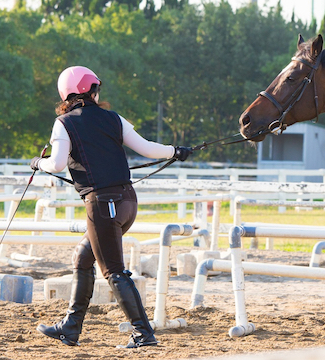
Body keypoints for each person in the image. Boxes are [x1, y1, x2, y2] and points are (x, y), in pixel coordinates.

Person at [31, 66, 192, 348]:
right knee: (82, 258)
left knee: (114, 271)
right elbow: (146, 147)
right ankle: (70, 328)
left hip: (103, 207)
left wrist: (37, 163)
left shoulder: (64, 123)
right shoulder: (113, 119)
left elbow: (56, 164)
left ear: (66, 93)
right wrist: (175, 151)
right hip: (127, 203)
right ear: (90, 91)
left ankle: (143, 333)